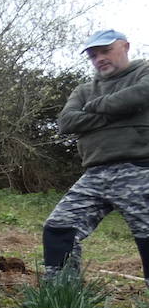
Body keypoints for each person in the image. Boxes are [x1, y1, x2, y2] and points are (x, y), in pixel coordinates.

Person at [42, 30, 149, 288]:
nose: (99, 58)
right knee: (59, 227)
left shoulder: (143, 72)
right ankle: (62, 297)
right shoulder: (85, 89)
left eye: (105, 51)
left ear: (125, 46)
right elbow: (66, 122)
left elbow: (140, 95)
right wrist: (119, 111)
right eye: (93, 55)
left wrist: (93, 109)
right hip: (95, 173)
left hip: (140, 168)